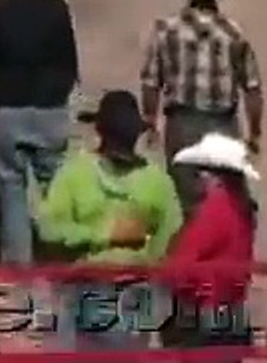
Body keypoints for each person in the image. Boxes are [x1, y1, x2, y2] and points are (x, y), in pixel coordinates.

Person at [38, 91, 183, 355]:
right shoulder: (78, 174)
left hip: (123, 289)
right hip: (98, 288)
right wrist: (107, 234)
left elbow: (171, 239)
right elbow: (48, 229)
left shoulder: (76, 173)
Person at [0, 0, 79, 265]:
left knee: (11, 189)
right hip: (50, 107)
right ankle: (60, 254)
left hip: (9, 107)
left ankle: (17, 262)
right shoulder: (56, 8)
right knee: (55, 185)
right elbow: (70, 62)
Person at [140, 0, 263, 217]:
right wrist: (254, 133)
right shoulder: (233, 34)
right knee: (229, 198)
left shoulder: (165, 30)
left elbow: (151, 82)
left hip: (182, 122)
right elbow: (252, 89)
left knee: (187, 198)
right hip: (224, 124)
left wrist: (151, 122)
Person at [161, 133, 259, 361]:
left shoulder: (216, 208)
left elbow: (181, 266)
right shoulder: (242, 206)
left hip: (207, 311)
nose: (199, 177)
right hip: (233, 309)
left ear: (216, 176)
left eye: (202, 171)